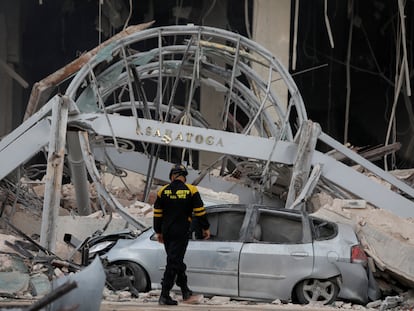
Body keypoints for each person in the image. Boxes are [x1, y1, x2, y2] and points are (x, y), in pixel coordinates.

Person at [153, 164, 211, 305]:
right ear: (184, 177)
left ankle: (185, 291)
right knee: (173, 261)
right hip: (181, 231)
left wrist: (158, 231)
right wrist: (205, 227)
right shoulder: (191, 190)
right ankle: (164, 295)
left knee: (175, 260)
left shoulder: (163, 191)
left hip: (167, 232)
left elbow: (157, 214)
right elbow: (200, 211)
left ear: (172, 177)